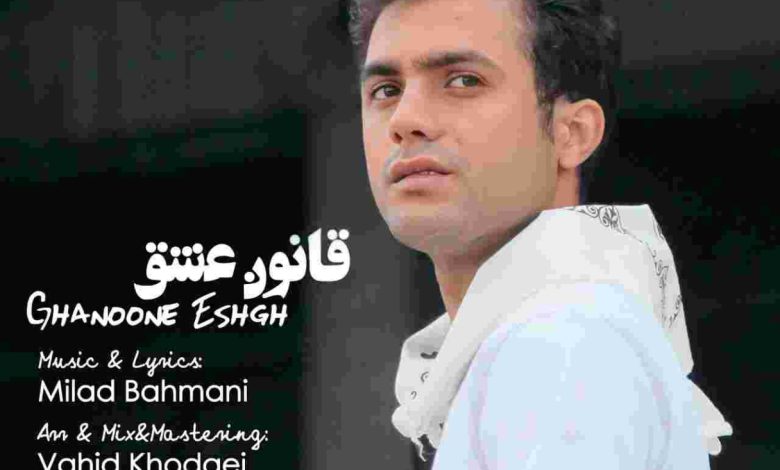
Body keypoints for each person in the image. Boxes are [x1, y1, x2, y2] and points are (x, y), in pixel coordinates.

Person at [348, 0, 732, 468]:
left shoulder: (563, 340)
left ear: (573, 132)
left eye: (463, 81)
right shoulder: (553, 335)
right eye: (386, 90)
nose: (405, 120)